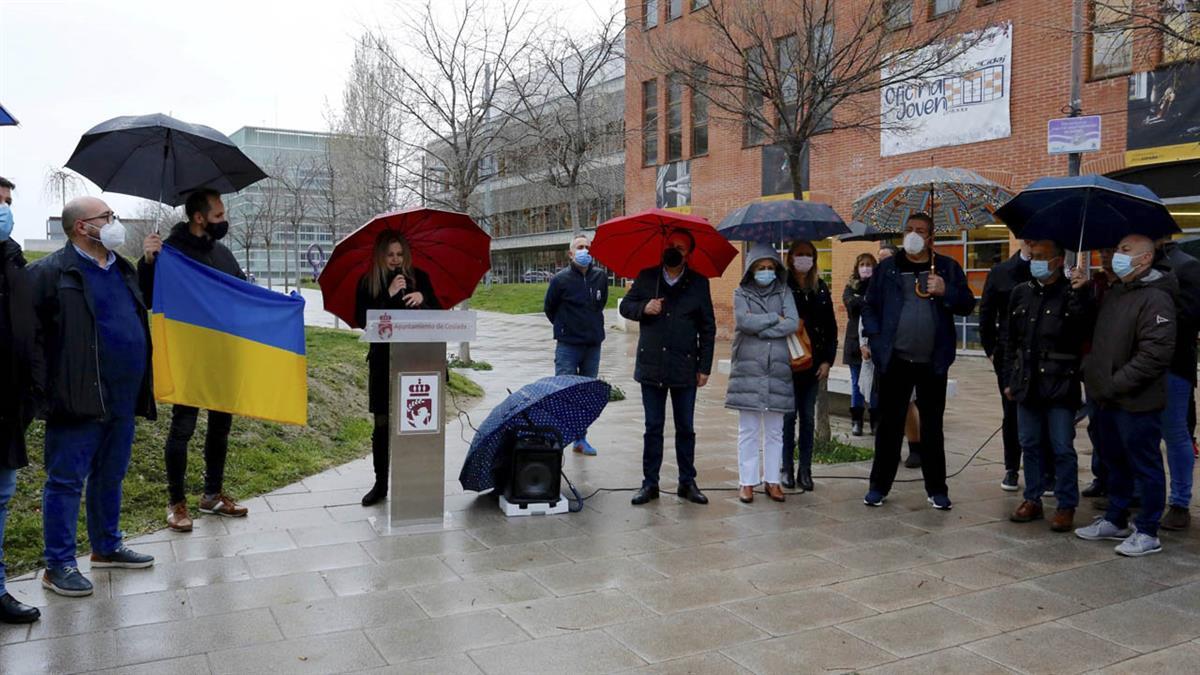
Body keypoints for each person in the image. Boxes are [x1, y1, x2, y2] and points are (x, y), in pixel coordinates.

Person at [29, 197, 157, 597]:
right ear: (83, 227)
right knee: (66, 480)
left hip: (123, 394)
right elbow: (29, 336)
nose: (114, 223)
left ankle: (106, 545)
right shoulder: (51, 273)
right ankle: (59, 563)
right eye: (108, 217)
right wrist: (47, 388)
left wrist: (151, 263)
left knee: (110, 473)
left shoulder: (123, 268)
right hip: (77, 396)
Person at [139, 189, 249, 532]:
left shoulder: (224, 254)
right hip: (188, 356)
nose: (224, 221)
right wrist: (148, 261)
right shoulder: (170, 253)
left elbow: (242, 295)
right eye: (218, 216)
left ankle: (212, 494)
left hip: (222, 355)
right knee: (182, 429)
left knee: (221, 428)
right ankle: (176, 503)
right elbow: (146, 296)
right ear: (199, 218)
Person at [861, 213, 975, 510]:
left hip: (932, 362)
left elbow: (966, 304)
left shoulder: (947, 268)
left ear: (931, 237)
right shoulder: (887, 269)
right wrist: (875, 339)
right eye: (909, 229)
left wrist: (945, 290)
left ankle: (937, 489)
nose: (913, 234)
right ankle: (878, 487)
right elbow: (870, 307)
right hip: (894, 360)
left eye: (920, 230)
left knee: (932, 428)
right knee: (888, 428)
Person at [1077, 234, 1176, 557]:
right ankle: (1115, 518)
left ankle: (1147, 530)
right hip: (1106, 398)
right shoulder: (1116, 292)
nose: (1115, 255)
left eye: (1124, 250)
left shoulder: (1156, 298)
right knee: (1113, 461)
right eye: (1116, 248)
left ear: (1145, 259)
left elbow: (1154, 355)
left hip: (1137, 401)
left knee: (1144, 465)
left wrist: (1114, 383)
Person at [619, 228, 716, 506]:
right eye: (671, 245)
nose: (674, 250)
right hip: (652, 366)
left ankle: (687, 482)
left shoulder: (699, 283)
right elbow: (626, 306)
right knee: (653, 427)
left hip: (685, 367)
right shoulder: (647, 277)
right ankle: (650, 484)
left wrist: (705, 367)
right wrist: (643, 308)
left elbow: (708, 328)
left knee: (685, 427)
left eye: (681, 248)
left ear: (689, 254)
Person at [1004, 240, 1092, 532]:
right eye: (1033, 256)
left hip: (1059, 382)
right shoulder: (1021, 293)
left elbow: (1083, 330)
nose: (1036, 261)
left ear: (1057, 261)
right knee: (1029, 443)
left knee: (1061, 446)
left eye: (1042, 257)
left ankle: (1066, 504)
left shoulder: (1071, 293)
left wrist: (1081, 293)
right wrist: (1009, 379)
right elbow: (1010, 341)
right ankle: (1033, 498)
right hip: (1027, 381)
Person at [355, 230, 440, 506]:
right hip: (383, 362)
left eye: (400, 254)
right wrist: (388, 296)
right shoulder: (368, 282)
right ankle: (380, 484)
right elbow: (363, 320)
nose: (395, 260)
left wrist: (422, 301)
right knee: (382, 423)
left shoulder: (420, 279)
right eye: (390, 255)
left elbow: (438, 317)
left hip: (417, 361)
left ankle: (416, 481)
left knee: (414, 423)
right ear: (381, 256)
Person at [726, 243, 799, 503]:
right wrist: (773, 317)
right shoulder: (740, 292)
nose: (766, 271)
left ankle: (773, 480)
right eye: (760, 267)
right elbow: (743, 322)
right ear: (751, 269)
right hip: (748, 367)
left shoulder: (784, 291)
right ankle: (746, 482)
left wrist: (761, 326)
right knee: (748, 428)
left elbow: (792, 322)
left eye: (770, 267)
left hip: (777, 367)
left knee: (775, 429)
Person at [0, 179, 41, 623]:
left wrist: (33, 390)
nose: (4, 210)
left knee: (2, 496)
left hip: (9, 405)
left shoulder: (14, 261)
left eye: (7, 202)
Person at [1151, 237, 1200, 531]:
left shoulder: (1186, 267)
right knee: (1142, 434)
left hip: (1172, 367)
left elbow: (1190, 317)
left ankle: (1180, 501)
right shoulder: (1140, 270)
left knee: (1175, 434)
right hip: (1139, 366)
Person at [544, 234, 607, 456]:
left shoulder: (600, 277)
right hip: (568, 346)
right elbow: (549, 308)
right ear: (571, 253)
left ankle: (580, 439)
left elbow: (600, 304)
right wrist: (565, 327)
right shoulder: (560, 280)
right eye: (580, 247)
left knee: (585, 394)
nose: (584, 251)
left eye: (587, 247)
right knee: (564, 392)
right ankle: (559, 439)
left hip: (592, 345)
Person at [781, 240, 836, 492]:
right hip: (787, 363)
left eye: (809, 255)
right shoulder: (781, 286)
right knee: (788, 417)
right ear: (790, 257)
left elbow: (830, 328)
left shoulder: (821, 287)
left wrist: (827, 361)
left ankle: (805, 469)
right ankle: (786, 468)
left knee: (807, 418)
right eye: (799, 254)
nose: (804, 259)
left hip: (813, 364)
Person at [980, 239, 1033, 491]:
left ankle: (1047, 470)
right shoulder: (1001, 272)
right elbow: (987, 313)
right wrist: (991, 350)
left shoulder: (1058, 271)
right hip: (1009, 355)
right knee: (1011, 414)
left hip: (1045, 356)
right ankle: (1011, 467)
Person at [1081, 249, 1118, 499]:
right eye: (1102, 252)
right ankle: (1100, 477)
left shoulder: (1128, 288)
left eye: (1112, 251)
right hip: (1093, 365)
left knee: (1116, 428)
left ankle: (1121, 484)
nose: (1106, 257)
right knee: (1096, 426)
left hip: (1118, 367)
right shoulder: (1095, 285)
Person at [843, 253, 876, 437]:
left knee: (874, 384)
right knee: (857, 384)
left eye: (869, 264)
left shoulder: (879, 286)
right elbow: (851, 305)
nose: (865, 268)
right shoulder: (851, 286)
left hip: (874, 342)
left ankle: (875, 420)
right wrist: (862, 299)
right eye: (862, 264)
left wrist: (862, 299)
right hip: (854, 342)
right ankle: (856, 421)